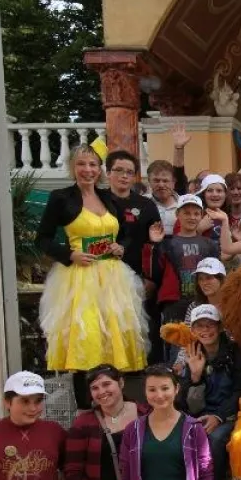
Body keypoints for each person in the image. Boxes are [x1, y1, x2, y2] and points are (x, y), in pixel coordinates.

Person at [36, 145, 149, 408]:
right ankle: (85, 411)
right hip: (80, 278)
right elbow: (42, 239)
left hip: (113, 279)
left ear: (100, 170)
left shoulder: (109, 198)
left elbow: (125, 234)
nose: (87, 170)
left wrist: (121, 247)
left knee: (115, 340)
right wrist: (69, 255)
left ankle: (116, 410)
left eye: (92, 165)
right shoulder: (61, 198)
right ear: (72, 167)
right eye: (81, 164)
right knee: (86, 341)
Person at [176, 304, 241, 480]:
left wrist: (218, 416)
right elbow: (188, 405)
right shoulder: (191, 353)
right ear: (193, 330)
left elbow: (240, 390)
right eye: (199, 326)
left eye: (210, 325)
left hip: (230, 415)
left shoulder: (235, 352)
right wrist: (195, 377)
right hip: (200, 414)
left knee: (215, 439)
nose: (205, 330)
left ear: (220, 327)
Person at [148, 194, 220, 328]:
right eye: (186, 213)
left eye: (196, 213)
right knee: (176, 339)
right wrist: (155, 245)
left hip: (203, 301)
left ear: (201, 215)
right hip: (174, 303)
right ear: (177, 214)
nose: (192, 217)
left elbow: (217, 275)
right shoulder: (168, 243)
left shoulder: (209, 244)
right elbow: (154, 273)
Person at [103, 150, 160, 279]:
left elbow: (155, 246)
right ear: (108, 173)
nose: (124, 176)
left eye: (129, 172)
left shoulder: (147, 205)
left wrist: (151, 279)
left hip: (135, 274)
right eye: (119, 170)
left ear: (134, 177)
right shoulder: (98, 201)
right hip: (101, 271)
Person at [146, 159, 181, 235]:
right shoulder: (141, 203)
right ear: (149, 181)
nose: (161, 185)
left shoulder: (183, 204)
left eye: (165, 181)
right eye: (156, 180)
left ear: (173, 182)